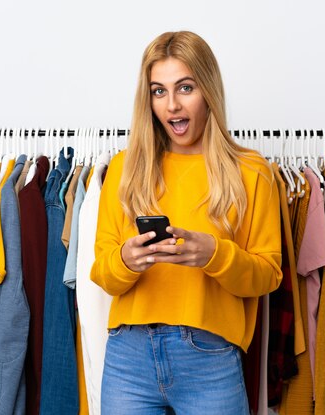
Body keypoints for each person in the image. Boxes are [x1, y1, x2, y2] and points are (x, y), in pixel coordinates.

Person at [90, 30, 283, 414]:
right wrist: (127, 259)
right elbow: (102, 274)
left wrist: (215, 255)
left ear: (208, 90)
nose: (172, 105)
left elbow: (269, 275)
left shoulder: (251, 172)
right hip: (128, 357)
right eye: (159, 91)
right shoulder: (125, 168)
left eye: (185, 88)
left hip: (209, 357)